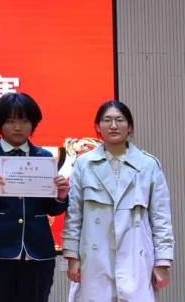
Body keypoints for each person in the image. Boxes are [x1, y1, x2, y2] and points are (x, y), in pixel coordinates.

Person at [63, 100, 174, 301]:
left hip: (136, 256)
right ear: (98, 127)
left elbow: (161, 218)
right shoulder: (83, 164)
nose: (113, 126)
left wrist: (163, 262)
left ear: (129, 127)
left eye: (119, 120)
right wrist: (72, 257)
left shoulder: (148, 165)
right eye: (107, 120)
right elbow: (74, 215)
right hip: (94, 258)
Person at [0, 92, 69, 302]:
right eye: (11, 121)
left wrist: (60, 196)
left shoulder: (44, 157)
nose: (18, 127)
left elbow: (52, 209)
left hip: (36, 250)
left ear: (33, 123)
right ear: (0, 123)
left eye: (24, 121)